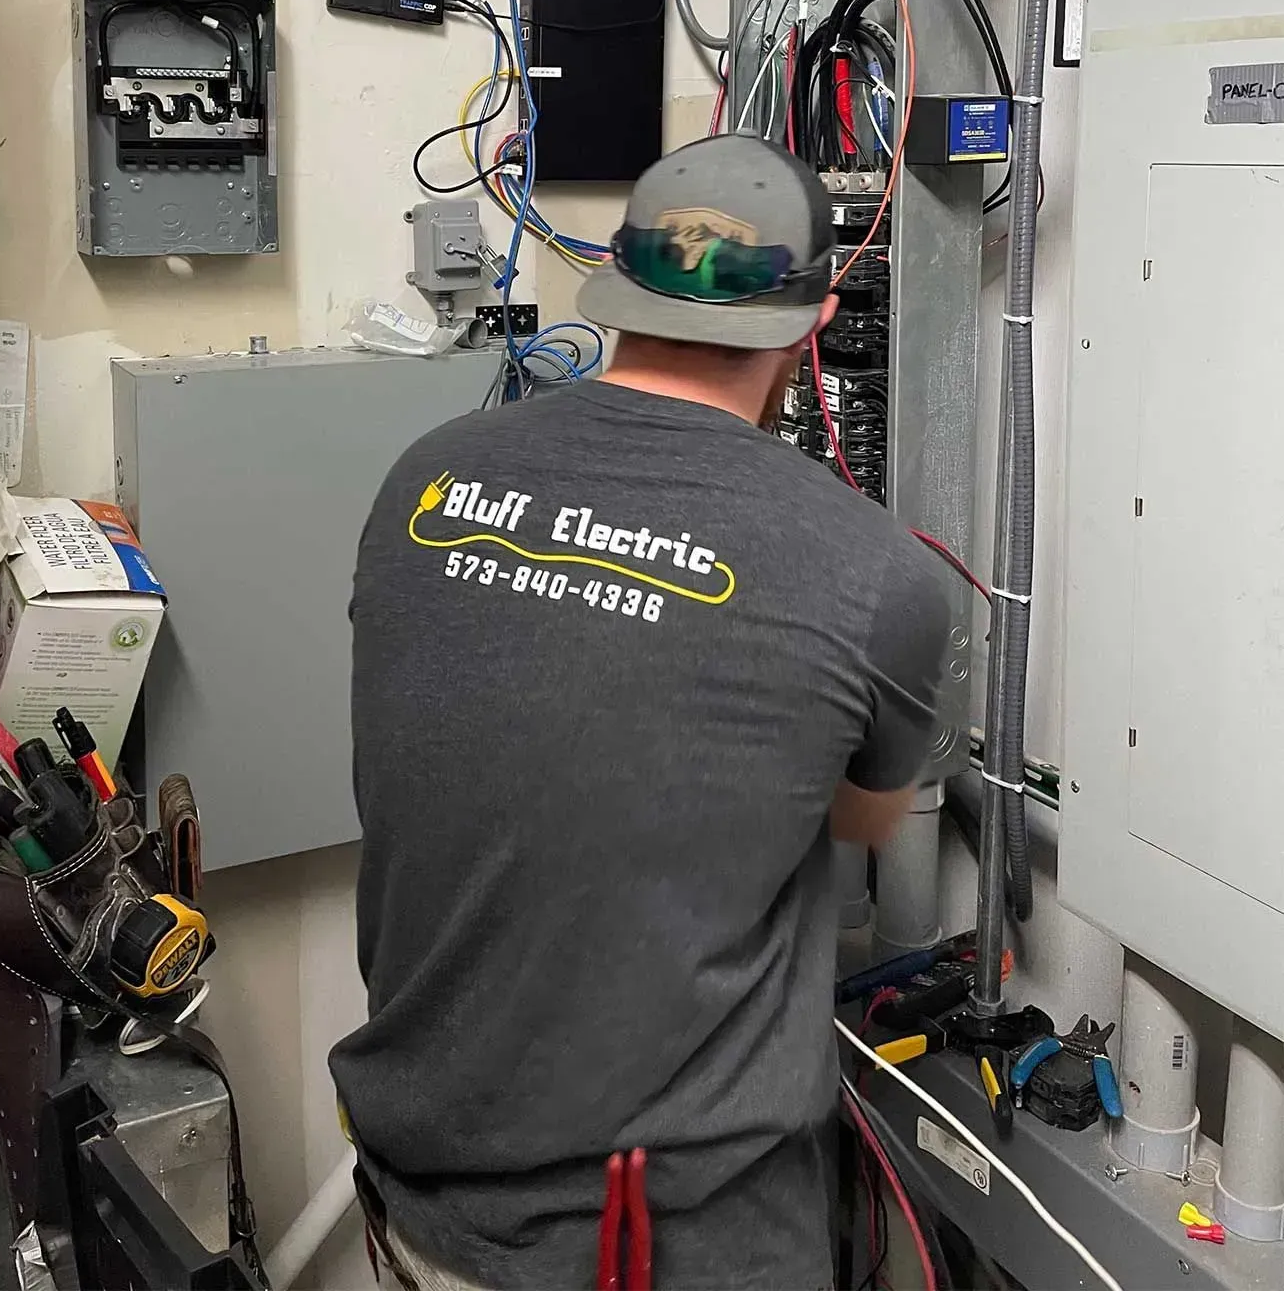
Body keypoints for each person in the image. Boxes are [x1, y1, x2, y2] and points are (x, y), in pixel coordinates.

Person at [331, 134, 952, 1291]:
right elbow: (867, 820)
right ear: (813, 322)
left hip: (417, 1204)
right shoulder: (877, 574)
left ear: (617, 286)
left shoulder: (428, 474)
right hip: (661, 1246)